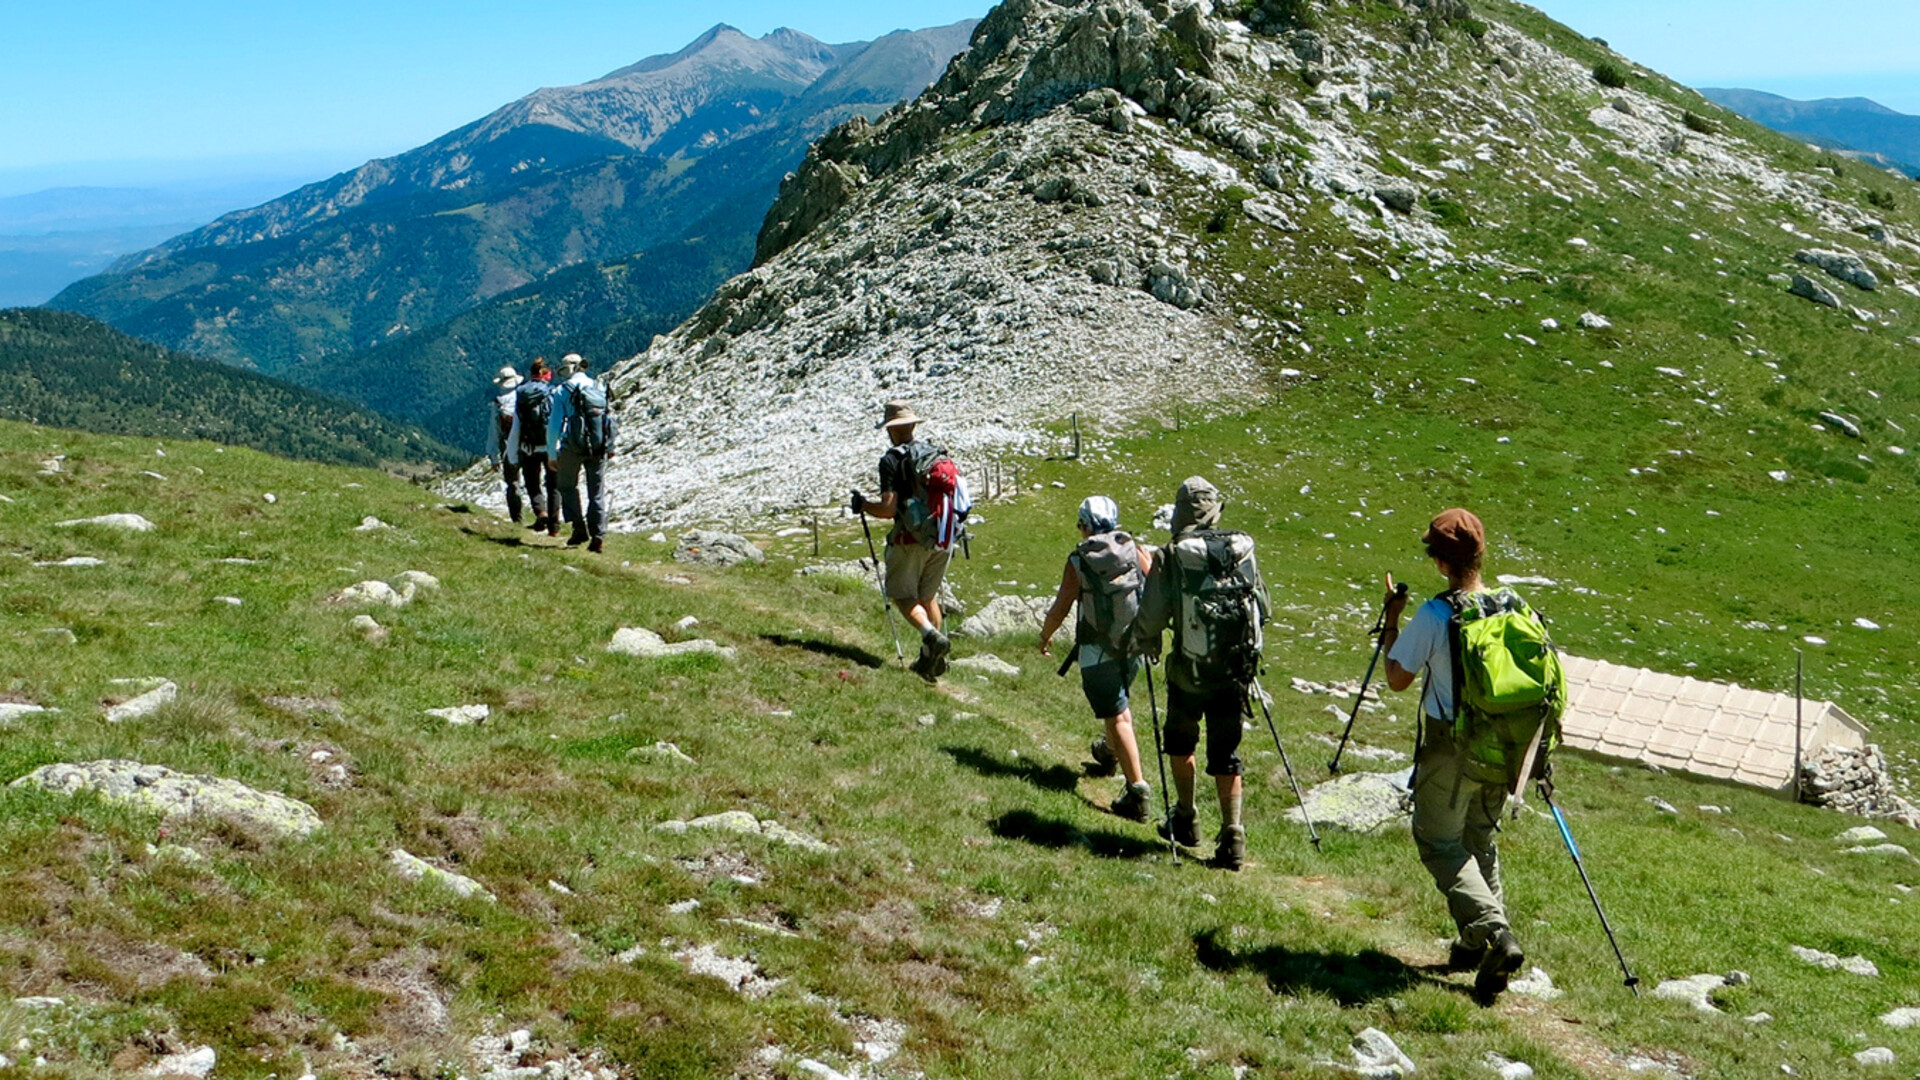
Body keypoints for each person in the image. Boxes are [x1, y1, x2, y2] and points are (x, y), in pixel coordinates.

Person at [1381, 507, 1527, 1004]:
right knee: (1479, 841)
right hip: (1502, 748)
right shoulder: (1511, 607)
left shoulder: (1437, 613)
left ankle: (1493, 933)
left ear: (1441, 563)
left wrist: (1391, 623)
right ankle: (1477, 949)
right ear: (1480, 554)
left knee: (1438, 841)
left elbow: (1398, 679)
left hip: (1451, 746)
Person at [1131, 477, 1271, 870]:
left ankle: (1186, 818)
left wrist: (1145, 640)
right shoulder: (1241, 548)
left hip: (1189, 671)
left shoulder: (1172, 553)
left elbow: (1153, 615)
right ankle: (1233, 834)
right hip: (1234, 669)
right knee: (1227, 753)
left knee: (1180, 742)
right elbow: (1265, 606)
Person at [1039, 496, 1155, 822]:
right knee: (1116, 705)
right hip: (1133, 644)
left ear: (1085, 525)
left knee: (1118, 714)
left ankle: (1138, 791)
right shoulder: (1136, 549)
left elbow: (1062, 606)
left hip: (1096, 649)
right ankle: (1109, 755)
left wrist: (1045, 635)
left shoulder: (1079, 559)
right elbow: (1154, 587)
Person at [849, 401, 952, 681]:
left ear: (891, 430)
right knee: (927, 597)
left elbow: (889, 509)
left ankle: (931, 637)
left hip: (910, 539)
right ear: (913, 426)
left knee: (903, 595)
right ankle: (930, 660)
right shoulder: (934, 453)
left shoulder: (891, 460)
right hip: (943, 538)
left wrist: (864, 505)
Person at [546, 353, 617, 553]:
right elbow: (608, 419)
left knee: (567, 485)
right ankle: (598, 535)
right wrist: (610, 446)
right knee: (596, 491)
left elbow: (555, 425)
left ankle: (579, 528)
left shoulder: (562, 391)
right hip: (598, 445)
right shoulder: (599, 387)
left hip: (572, 445)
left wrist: (552, 452)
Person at [508, 358, 559, 536]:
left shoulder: (521, 393)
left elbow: (517, 425)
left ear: (531, 375)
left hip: (528, 446)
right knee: (553, 484)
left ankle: (541, 511)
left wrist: (512, 453)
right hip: (549, 446)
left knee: (532, 483)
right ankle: (554, 527)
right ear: (546, 375)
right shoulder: (552, 392)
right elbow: (558, 421)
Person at [486, 366, 525, 523]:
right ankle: (541, 512)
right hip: (528, 442)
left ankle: (518, 518)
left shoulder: (499, 402)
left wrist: (493, 455)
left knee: (512, 482)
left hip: (508, 445)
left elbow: (493, 431)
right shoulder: (524, 396)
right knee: (532, 479)